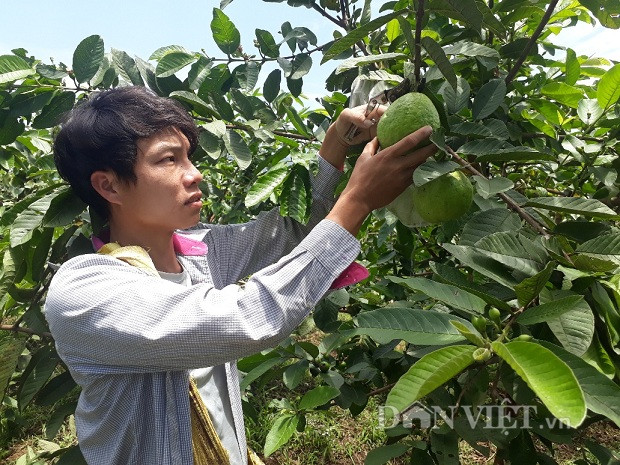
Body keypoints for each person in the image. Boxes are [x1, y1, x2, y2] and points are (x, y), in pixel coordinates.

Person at [44, 85, 436, 465]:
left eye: (189, 157)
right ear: (109, 185)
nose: (194, 174)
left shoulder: (201, 254)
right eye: (169, 160)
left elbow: (298, 235)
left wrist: (336, 142)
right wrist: (359, 199)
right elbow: (246, 317)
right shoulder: (84, 292)